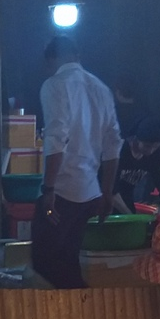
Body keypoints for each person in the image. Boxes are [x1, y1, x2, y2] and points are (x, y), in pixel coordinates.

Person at [35, 36, 122, 289]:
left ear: (51, 60)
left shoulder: (54, 85)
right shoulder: (101, 88)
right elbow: (113, 143)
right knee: (71, 262)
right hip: (91, 194)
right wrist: (106, 192)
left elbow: (56, 138)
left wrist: (48, 190)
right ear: (78, 55)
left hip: (63, 192)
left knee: (47, 267)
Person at [110, 117, 160, 214]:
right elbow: (110, 189)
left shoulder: (155, 155)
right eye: (147, 146)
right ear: (136, 139)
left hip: (127, 199)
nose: (151, 151)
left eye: (155, 147)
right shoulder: (120, 150)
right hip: (106, 201)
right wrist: (128, 215)